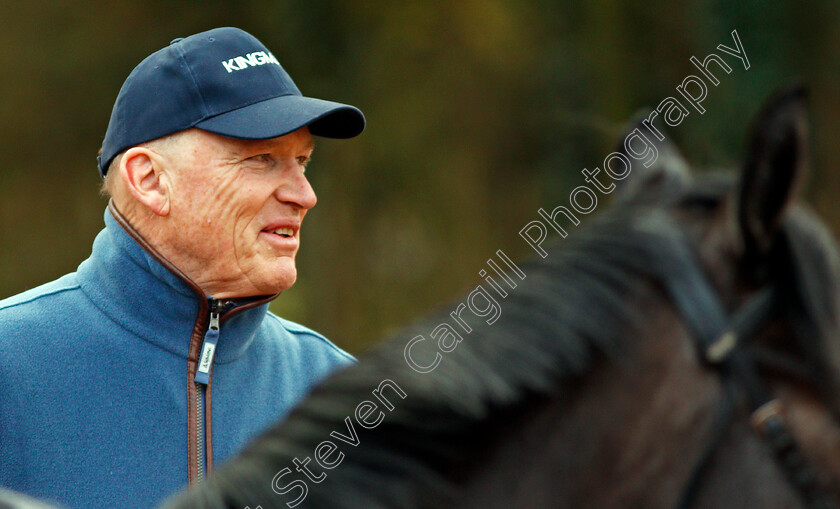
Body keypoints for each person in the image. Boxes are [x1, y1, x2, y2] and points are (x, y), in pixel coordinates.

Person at [0, 27, 364, 508]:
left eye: (302, 161)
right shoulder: (10, 366)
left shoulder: (346, 398)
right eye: (261, 159)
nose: (304, 195)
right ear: (150, 180)